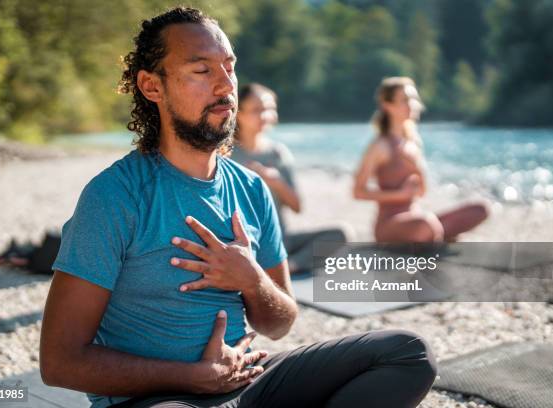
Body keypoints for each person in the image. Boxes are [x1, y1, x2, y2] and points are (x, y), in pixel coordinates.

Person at [39, 9, 437, 408]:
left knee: (408, 354)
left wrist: (251, 280)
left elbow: (279, 323)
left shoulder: (250, 188)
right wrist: (191, 378)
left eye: (229, 67)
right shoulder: (114, 196)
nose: (226, 84)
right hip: (157, 399)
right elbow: (59, 362)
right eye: (201, 70)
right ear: (151, 86)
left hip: (246, 383)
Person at [231, 83, 354, 274]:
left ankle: (289, 266)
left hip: (280, 240)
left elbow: (297, 206)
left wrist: (275, 182)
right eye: (257, 110)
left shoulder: (278, 154)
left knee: (341, 234)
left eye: (269, 109)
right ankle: (270, 268)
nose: (264, 115)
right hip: (241, 241)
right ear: (239, 112)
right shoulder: (227, 153)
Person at [353, 77, 489, 243]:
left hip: (415, 219)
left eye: (413, 99)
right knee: (426, 223)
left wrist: (418, 174)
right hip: (389, 226)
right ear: (387, 106)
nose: (412, 104)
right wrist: (399, 194)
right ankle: (432, 235)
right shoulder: (380, 145)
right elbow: (358, 192)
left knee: (480, 209)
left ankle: (432, 235)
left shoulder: (413, 142)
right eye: (405, 100)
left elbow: (421, 192)